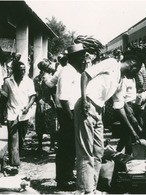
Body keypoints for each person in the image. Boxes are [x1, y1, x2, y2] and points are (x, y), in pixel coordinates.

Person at [74, 49, 142, 194]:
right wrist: (84, 99)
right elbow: (85, 75)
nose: (134, 76)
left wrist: (132, 131)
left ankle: (91, 187)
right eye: (136, 72)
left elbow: (120, 107)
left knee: (98, 151)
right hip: (87, 105)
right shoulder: (111, 63)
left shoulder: (121, 80)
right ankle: (84, 190)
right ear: (132, 64)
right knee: (86, 151)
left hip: (98, 111)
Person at [55, 44, 84, 190]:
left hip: (72, 112)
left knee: (71, 147)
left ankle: (67, 174)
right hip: (67, 113)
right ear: (74, 58)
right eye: (81, 56)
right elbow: (64, 99)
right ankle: (62, 180)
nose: (84, 59)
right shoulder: (66, 72)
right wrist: (71, 118)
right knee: (65, 147)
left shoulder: (75, 71)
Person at [0, 61, 36, 167]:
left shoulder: (29, 81)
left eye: (24, 70)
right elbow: (4, 97)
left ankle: (17, 156)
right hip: (12, 112)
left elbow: (33, 96)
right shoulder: (8, 82)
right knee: (13, 137)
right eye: (20, 70)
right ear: (14, 70)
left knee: (21, 137)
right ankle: (14, 162)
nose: (22, 72)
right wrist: (1, 113)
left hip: (24, 113)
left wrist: (28, 107)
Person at [33, 59, 58, 153]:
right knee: (51, 125)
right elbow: (53, 92)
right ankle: (52, 146)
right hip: (48, 102)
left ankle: (40, 146)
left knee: (39, 124)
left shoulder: (36, 78)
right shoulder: (49, 78)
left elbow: (35, 92)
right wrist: (57, 104)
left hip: (39, 103)